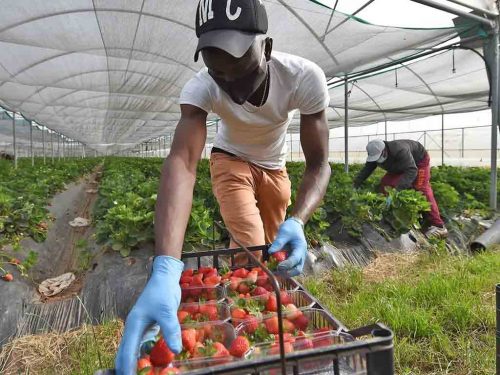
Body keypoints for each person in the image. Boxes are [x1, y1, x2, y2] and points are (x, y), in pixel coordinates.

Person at [115, 0, 331, 372]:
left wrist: (299, 220)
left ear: (267, 47)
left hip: (275, 166)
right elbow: (182, 163)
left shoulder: (303, 77)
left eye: (243, 71)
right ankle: (241, 326)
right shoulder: (201, 88)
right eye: (219, 74)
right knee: (249, 239)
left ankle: (252, 308)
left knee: (275, 243)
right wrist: (166, 266)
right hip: (229, 158)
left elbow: (319, 164)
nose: (232, 86)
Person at [353, 139, 448, 238]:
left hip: (418, 162)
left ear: (384, 151)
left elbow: (412, 170)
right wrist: (355, 185)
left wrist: (396, 191)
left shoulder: (400, 150)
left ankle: (438, 225)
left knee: (420, 187)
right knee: (385, 185)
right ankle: (387, 216)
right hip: (399, 166)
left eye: (378, 157)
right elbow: (366, 170)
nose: (377, 160)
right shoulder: (375, 155)